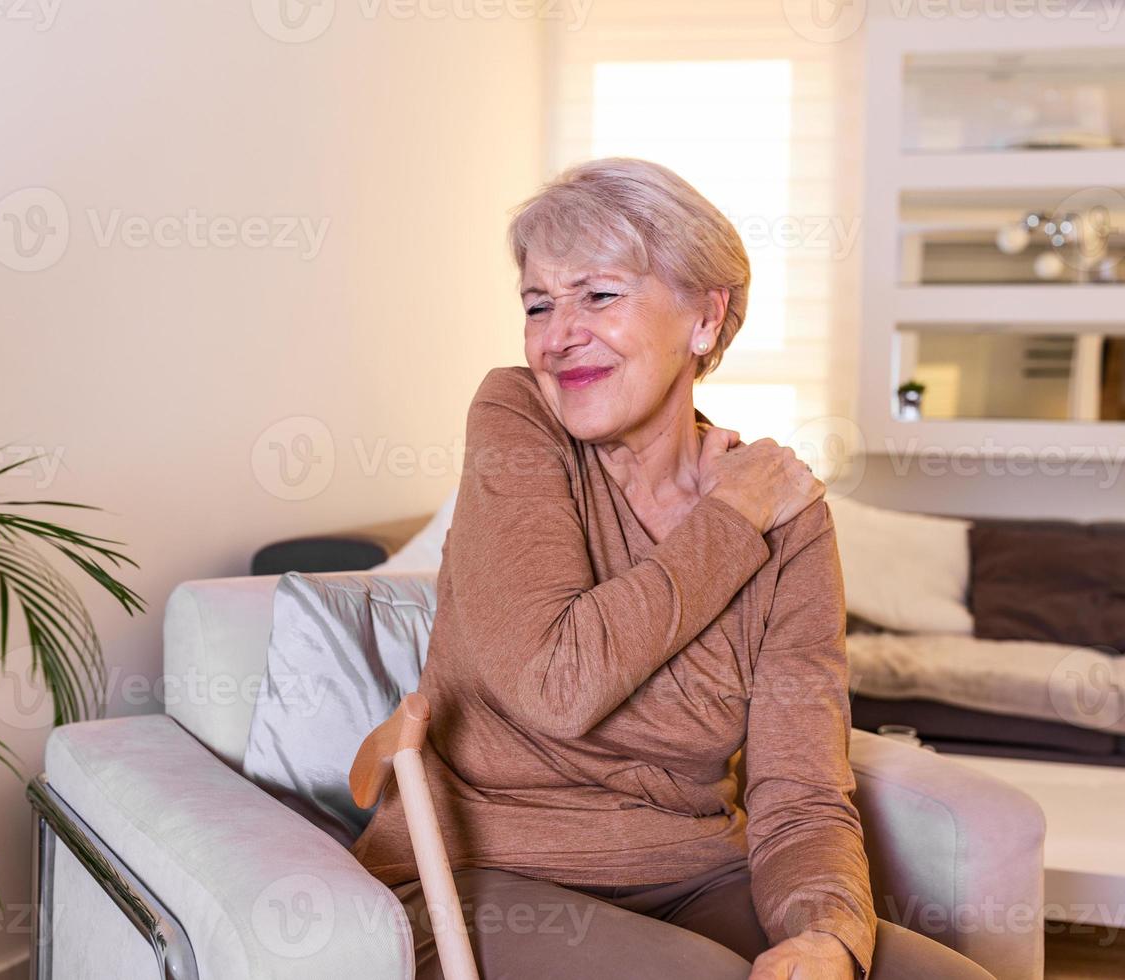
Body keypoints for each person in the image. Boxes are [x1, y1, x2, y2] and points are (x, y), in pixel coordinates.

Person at [350, 158, 993, 980]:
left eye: (600, 295)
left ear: (705, 317)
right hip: (485, 872)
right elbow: (559, 685)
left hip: (692, 875)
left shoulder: (791, 523)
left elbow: (799, 789)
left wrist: (825, 935)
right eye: (538, 304)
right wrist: (730, 520)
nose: (558, 335)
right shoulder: (517, 420)